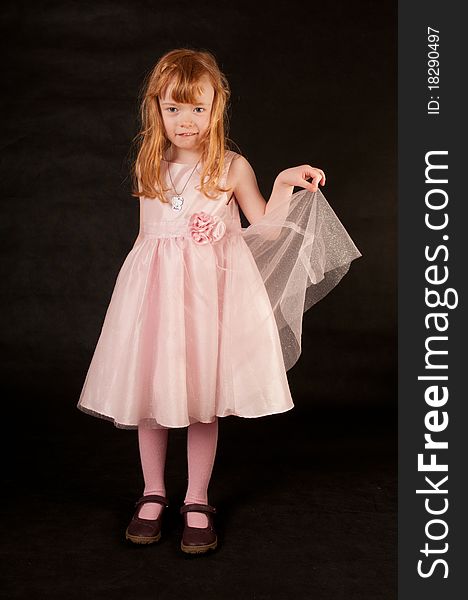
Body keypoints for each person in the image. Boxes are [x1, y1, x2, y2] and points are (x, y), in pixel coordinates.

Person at [76, 48, 362, 555]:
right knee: (152, 396)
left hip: (208, 298)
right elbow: (151, 242)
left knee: (203, 396)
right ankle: (152, 492)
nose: (185, 121)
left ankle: (197, 496)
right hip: (157, 296)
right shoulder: (151, 162)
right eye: (173, 108)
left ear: (216, 108)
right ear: (156, 109)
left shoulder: (230, 165)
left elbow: (266, 229)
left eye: (197, 109)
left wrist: (280, 184)